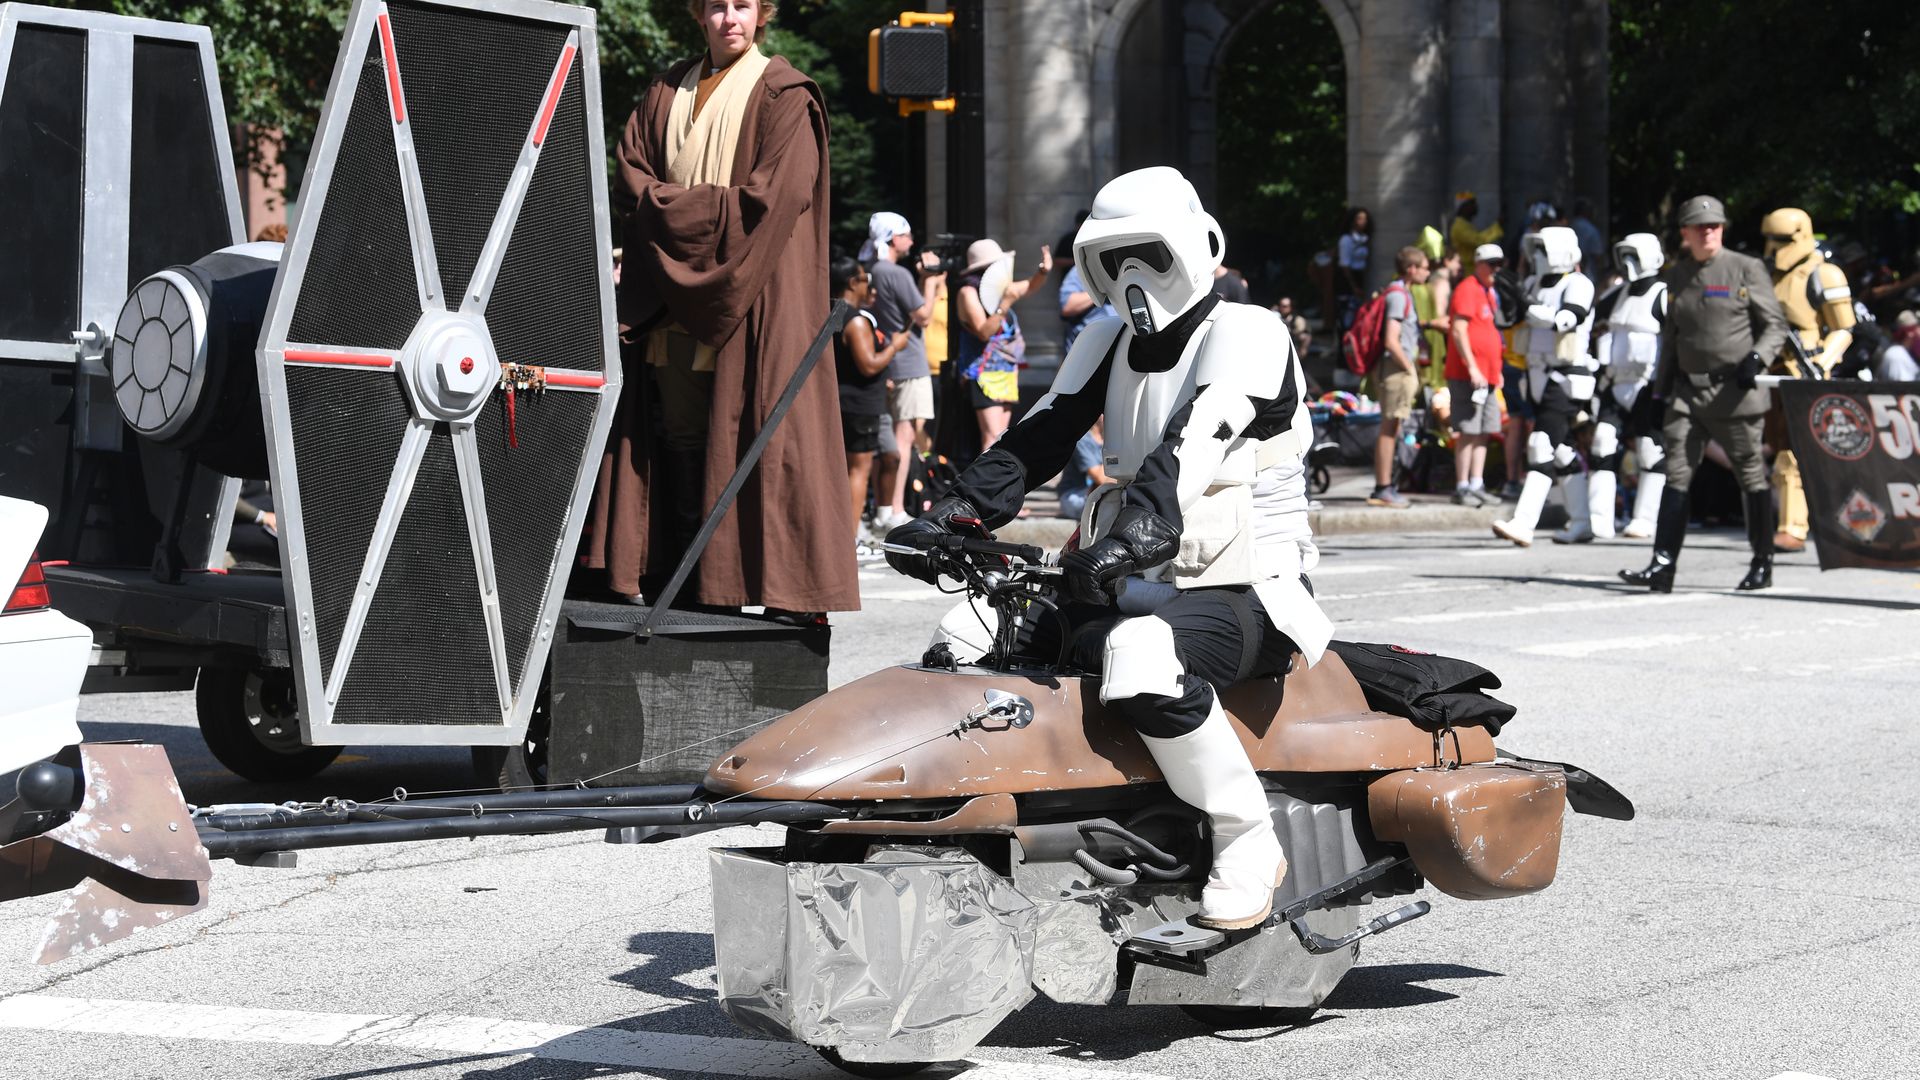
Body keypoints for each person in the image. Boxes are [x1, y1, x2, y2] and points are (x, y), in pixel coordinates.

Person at [887, 166, 1328, 932]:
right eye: (1110, 259)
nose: (1130, 279)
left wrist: (1136, 534)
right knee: (965, 637)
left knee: (1144, 654)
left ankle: (1245, 837)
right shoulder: (1104, 338)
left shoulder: (1248, 330)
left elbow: (1198, 437)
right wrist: (955, 514)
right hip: (1125, 571)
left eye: (1147, 255)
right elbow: (1042, 435)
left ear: (1200, 246)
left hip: (1251, 590)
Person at [587, 0, 856, 615]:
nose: (729, 18)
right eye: (716, 6)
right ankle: (692, 588)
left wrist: (672, 212)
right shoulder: (663, 91)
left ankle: (753, 588)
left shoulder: (786, 94)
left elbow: (769, 202)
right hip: (669, 306)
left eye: (742, 6)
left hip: (751, 295)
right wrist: (698, 212)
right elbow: (631, 175)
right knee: (680, 438)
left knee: (752, 438)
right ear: (697, 14)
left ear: (763, 14)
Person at [1620, 195, 1788, 593]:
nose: (1708, 231)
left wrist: (1757, 359)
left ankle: (1762, 561)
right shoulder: (1677, 277)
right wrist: (1658, 397)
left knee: (1750, 474)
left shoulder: (1745, 268)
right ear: (1685, 233)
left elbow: (1775, 326)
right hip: (1686, 393)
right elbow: (1671, 342)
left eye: (1714, 226)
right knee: (1675, 473)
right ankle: (1662, 566)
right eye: (1700, 226)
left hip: (1734, 391)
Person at [1493, 226, 1597, 545]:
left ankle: (1524, 522)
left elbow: (1566, 319)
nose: (1537, 257)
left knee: (1541, 444)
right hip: (1535, 375)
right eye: (1534, 249)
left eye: (1543, 249)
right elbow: (1505, 321)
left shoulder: (1577, 283)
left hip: (1565, 376)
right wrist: (1510, 304)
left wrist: (1525, 304)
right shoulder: (1532, 283)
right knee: (1563, 451)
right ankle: (1581, 522)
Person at [1760, 207, 1855, 554]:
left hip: (1810, 367)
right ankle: (1793, 524)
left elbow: (1844, 327)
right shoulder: (1766, 274)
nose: (1776, 247)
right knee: (1782, 446)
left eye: (1782, 240)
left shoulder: (1823, 273)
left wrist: (1823, 359)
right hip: (1774, 367)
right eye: (1771, 239)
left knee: (1813, 452)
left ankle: (1797, 526)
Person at [861, 211, 945, 531]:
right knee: (904, 436)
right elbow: (922, 316)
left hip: (883, 361)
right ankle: (894, 507)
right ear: (895, 239)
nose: (911, 240)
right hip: (908, 361)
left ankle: (881, 503)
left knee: (882, 438)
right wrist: (932, 281)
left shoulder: (871, 271)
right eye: (907, 234)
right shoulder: (895, 273)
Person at [1592, 233, 1670, 540]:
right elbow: (1594, 327)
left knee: (1650, 450)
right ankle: (1600, 519)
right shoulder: (1615, 296)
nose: (1628, 264)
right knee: (1602, 442)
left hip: (1648, 383)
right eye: (1624, 256)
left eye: (1634, 256)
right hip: (1615, 381)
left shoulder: (1664, 295)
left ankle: (1646, 518)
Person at [832, 257, 910, 561]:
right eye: (866, 279)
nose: (869, 286)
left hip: (843, 402)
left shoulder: (832, 312)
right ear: (853, 282)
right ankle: (850, 540)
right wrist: (894, 347)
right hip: (861, 405)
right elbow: (868, 365)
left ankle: (848, 536)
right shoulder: (856, 320)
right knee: (858, 472)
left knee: (849, 470)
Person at [956, 238, 1051, 450]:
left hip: (1006, 372)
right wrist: (1005, 303)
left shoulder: (1000, 289)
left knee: (1001, 437)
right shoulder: (968, 293)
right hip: (983, 374)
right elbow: (983, 332)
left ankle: (997, 482)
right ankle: (985, 483)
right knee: (990, 437)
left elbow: (1029, 286)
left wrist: (1043, 272)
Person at [1447, 244, 1507, 505]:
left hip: (1489, 376)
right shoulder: (1468, 288)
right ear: (1479, 263)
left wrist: (1497, 370)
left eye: (1499, 264)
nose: (1496, 269)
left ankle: (1476, 482)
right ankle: (1462, 486)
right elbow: (1458, 330)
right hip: (1468, 375)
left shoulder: (1489, 292)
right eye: (1492, 263)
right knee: (1468, 430)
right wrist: (1472, 366)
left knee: (1485, 430)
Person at [1368, 247, 1427, 508]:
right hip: (1396, 371)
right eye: (1424, 266)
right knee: (1389, 429)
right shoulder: (1399, 296)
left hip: (1394, 370)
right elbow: (1392, 341)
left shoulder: (1398, 293)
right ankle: (1383, 487)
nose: (1427, 272)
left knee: (1392, 428)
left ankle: (1386, 486)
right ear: (1411, 269)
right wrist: (1409, 368)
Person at [1055, 423, 1111, 521]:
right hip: (1073, 496)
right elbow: (1100, 478)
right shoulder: (1083, 440)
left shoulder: (1107, 442)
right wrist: (1111, 447)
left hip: (1093, 494)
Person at [1335, 207, 1371, 329]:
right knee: (1348, 317)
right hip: (1348, 281)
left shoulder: (1364, 238)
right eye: (1360, 219)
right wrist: (1354, 286)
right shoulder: (1346, 240)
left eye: (1365, 219)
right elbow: (1345, 265)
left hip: (1359, 277)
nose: (1363, 222)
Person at [1449, 191, 1503, 266]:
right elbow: (1479, 241)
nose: (1476, 206)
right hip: (1467, 269)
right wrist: (1497, 226)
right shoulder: (1459, 226)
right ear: (1463, 207)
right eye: (1472, 203)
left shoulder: (1465, 224)